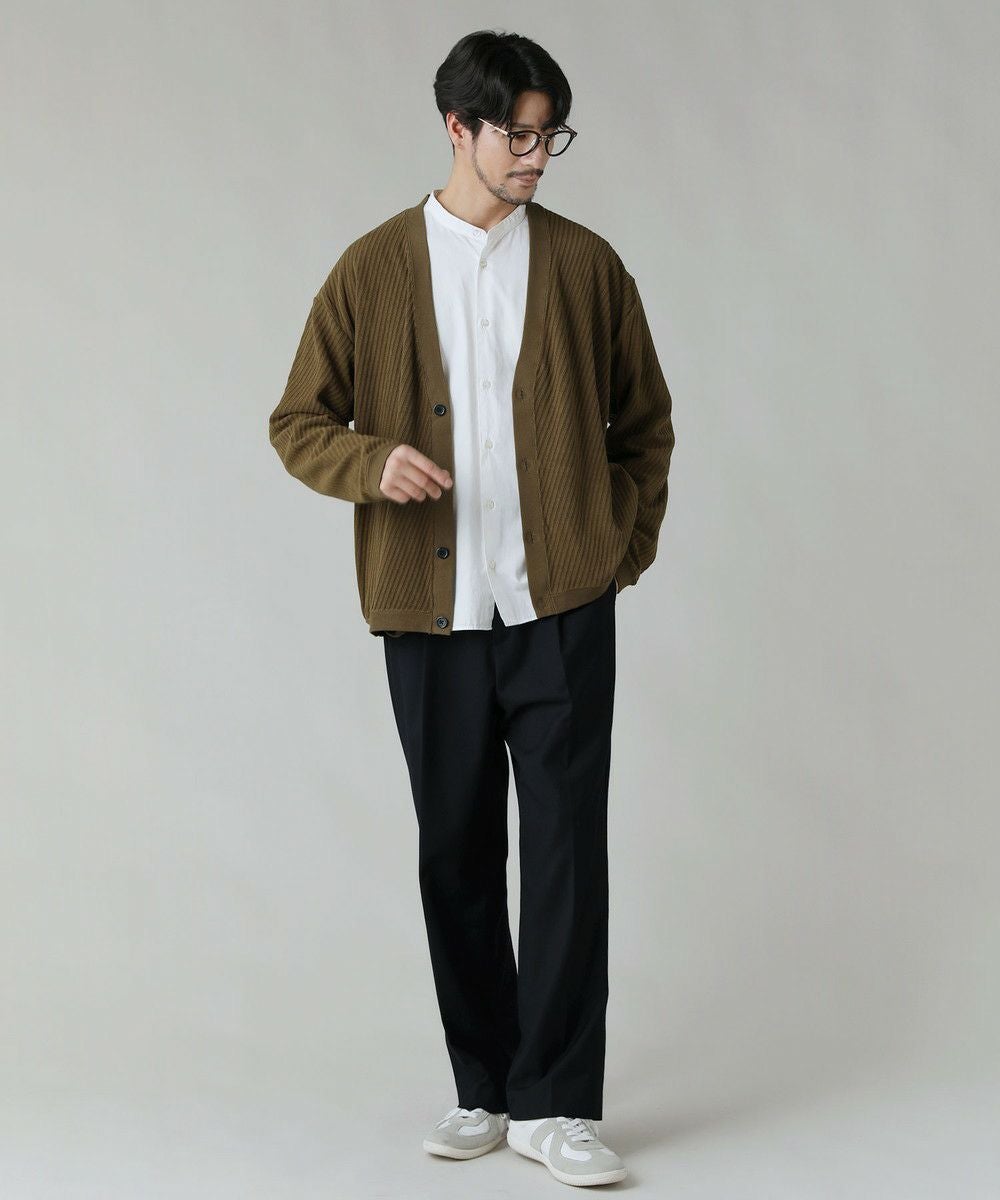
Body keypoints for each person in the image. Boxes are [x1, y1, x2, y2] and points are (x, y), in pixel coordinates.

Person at [269, 28, 674, 1189]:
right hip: (429, 612)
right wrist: (370, 463)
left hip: (561, 610)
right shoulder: (373, 269)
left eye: (552, 136)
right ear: (458, 128)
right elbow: (297, 421)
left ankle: (558, 1104)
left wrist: (614, 550)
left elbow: (644, 427)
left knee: (565, 855)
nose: (538, 156)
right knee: (453, 850)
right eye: (520, 135)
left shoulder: (587, 267)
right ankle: (484, 1086)